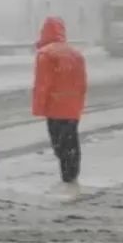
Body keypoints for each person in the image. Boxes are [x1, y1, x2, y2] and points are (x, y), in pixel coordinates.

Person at [32, 16, 88, 187]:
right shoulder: (76, 54)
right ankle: (72, 174)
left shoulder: (46, 54)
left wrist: (39, 108)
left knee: (59, 144)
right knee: (71, 141)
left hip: (55, 107)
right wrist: (78, 105)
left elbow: (43, 84)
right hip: (72, 108)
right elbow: (83, 84)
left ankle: (67, 175)